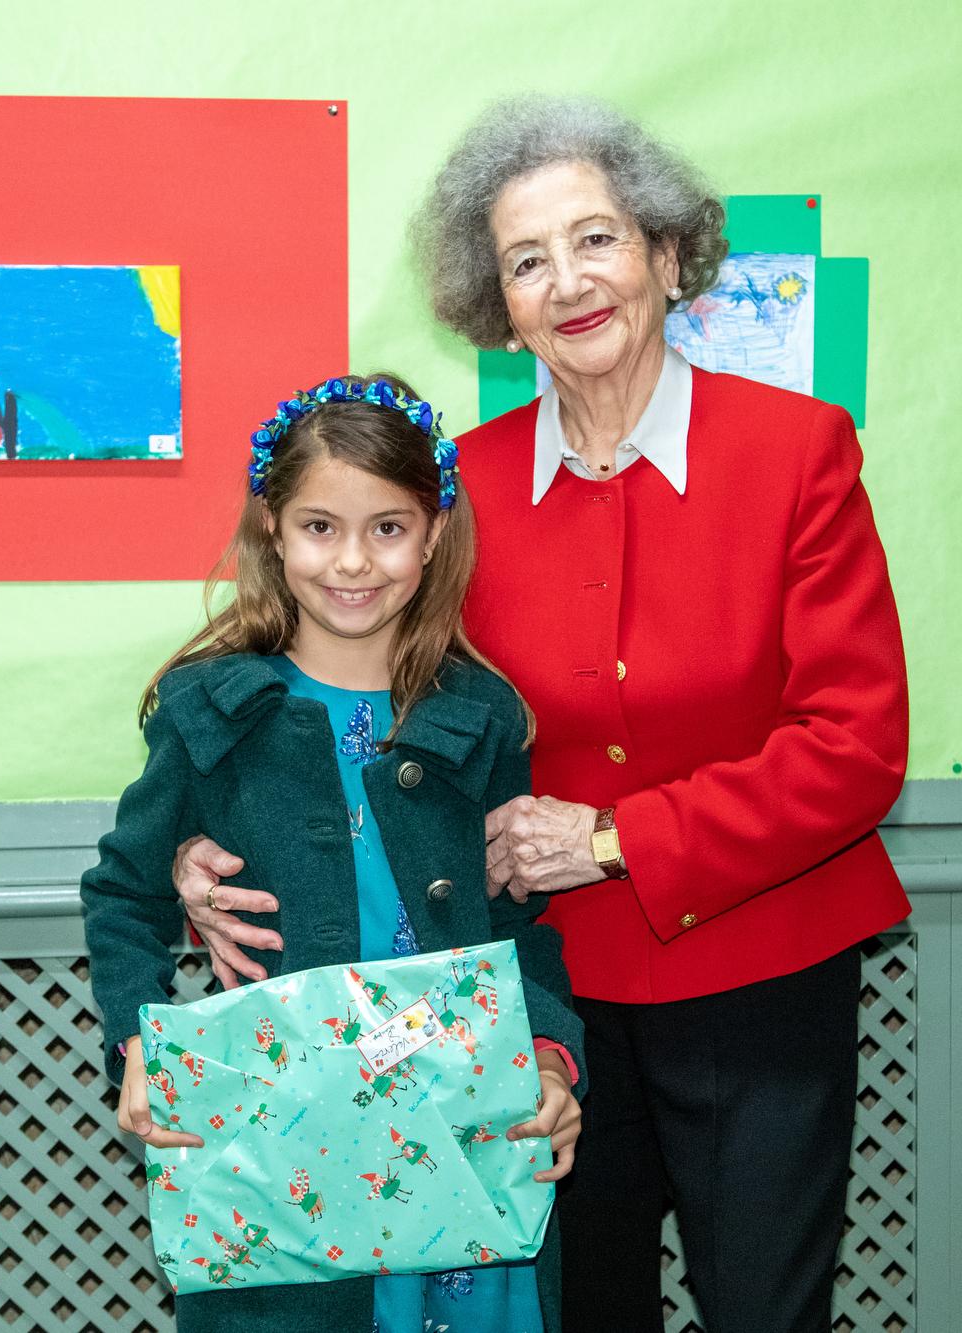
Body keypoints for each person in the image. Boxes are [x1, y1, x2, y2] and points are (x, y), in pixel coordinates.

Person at [173, 98, 911, 1333]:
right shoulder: (456, 494)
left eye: (596, 239)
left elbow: (855, 751)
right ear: (495, 305)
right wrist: (212, 842)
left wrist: (615, 840)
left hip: (762, 972)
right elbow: (354, 693)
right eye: (526, 260)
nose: (566, 281)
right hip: (542, 997)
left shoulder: (798, 451)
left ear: (668, 259)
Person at [80, 374, 586, 1333]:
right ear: (272, 527)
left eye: (388, 528)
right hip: (286, 1159)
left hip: (465, 1138)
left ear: (435, 533)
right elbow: (123, 892)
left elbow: (521, 922)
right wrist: (139, 1044)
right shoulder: (211, 710)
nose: (353, 561)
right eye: (320, 526)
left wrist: (554, 1063)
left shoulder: (480, 716)